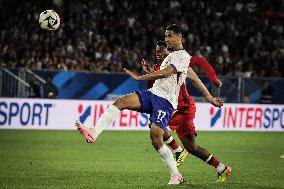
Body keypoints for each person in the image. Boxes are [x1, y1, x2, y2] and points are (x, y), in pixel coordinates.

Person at [75, 24, 221, 185]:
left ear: (179, 37)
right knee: (121, 102)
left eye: (170, 36)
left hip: (165, 102)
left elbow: (168, 73)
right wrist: (149, 72)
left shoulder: (183, 57)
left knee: (156, 137)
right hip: (153, 94)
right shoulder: (170, 56)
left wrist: (140, 78)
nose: (167, 39)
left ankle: (176, 176)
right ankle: (93, 133)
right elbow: (164, 76)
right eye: (165, 36)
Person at [142, 40, 231, 183]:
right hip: (177, 109)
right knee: (192, 147)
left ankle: (178, 151)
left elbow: (196, 80)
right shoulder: (159, 68)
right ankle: (222, 168)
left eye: (162, 51)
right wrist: (148, 73)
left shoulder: (179, 64)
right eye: (157, 51)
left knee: (155, 125)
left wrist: (209, 98)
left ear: (169, 52)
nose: (158, 54)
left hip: (184, 108)